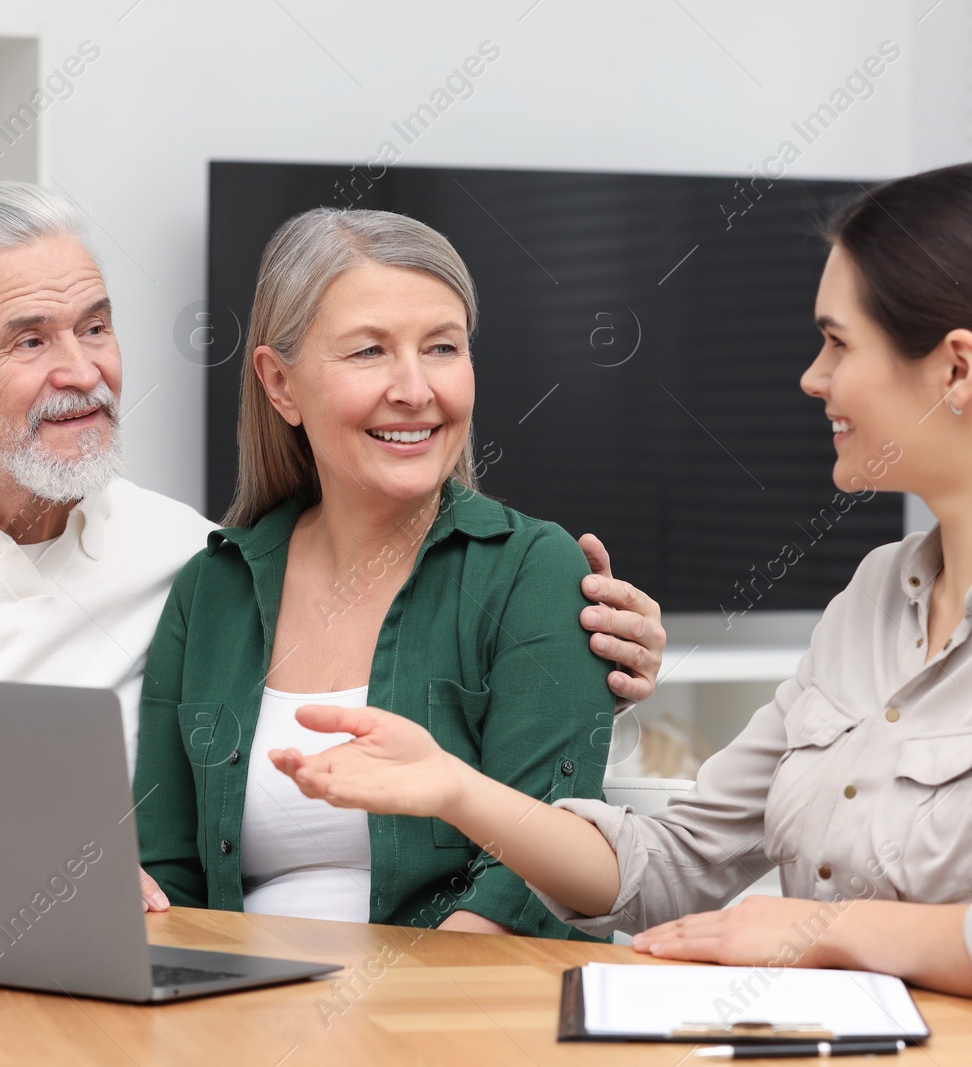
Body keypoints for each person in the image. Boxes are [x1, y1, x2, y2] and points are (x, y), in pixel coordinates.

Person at [267, 163, 972, 1013]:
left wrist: (822, 935)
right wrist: (455, 789)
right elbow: (675, 864)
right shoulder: (878, 596)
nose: (811, 377)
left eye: (838, 343)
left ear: (956, 368)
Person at [0, 183, 666, 896]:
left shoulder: (190, 557)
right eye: (31, 340)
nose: (83, 370)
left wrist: (607, 652)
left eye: (96, 325)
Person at [134, 208, 630, 938]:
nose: (414, 388)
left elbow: (530, 877)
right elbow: (169, 873)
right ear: (280, 384)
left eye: (442, 347)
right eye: (369, 351)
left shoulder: (534, 570)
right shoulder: (210, 589)